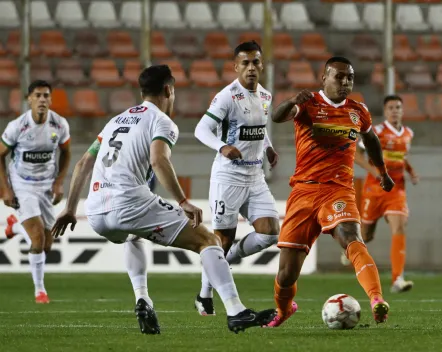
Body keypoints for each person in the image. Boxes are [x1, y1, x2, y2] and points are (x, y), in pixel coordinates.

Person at [52, 65, 275, 334]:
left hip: (97, 209)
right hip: (129, 201)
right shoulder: (162, 121)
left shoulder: (116, 120)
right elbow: (159, 159)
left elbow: (84, 163)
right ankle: (236, 311)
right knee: (208, 241)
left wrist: (70, 209)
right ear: (169, 90)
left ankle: (142, 299)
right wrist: (183, 202)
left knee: (133, 235)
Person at [266, 57, 394, 327]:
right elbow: (276, 117)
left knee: (351, 237)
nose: (345, 82)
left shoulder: (358, 111)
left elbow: (371, 140)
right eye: (339, 77)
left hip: (338, 189)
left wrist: (382, 171)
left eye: (349, 77)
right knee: (287, 273)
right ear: (324, 78)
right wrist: (291, 101)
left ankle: (376, 299)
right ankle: (284, 309)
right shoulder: (308, 103)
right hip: (303, 191)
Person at [193, 41, 280, 316]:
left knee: (270, 233)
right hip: (228, 178)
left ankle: (224, 260)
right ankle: (204, 294)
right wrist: (222, 146)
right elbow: (201, 129)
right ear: (236, 67)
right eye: (245, 63)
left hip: (255, 176)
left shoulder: (265, 96)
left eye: (255, 62)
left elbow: (258, 129)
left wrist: (268, 148)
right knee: (223, 239)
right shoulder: (227, 96)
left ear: (262, 65)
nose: (251, 68)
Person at [0, 80, 71, 304]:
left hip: (46, 185)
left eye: (46, 96)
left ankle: (14, 226)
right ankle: (40, 291)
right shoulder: (17, 127)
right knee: (38, 238)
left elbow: (66, 152)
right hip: (22, 184)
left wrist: (59, 182)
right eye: (38, 95)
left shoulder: (59, 125)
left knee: (46, 245)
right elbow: (0, 155)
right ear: (28, 99)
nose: (42, 100)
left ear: (50, 99)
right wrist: (6, 188)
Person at [341, 95, 418, 293]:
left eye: (398, 107)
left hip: (396, 190)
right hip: (374, 190)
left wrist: (411, 172)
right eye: (391, 107)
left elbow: (402, 158)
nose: (395, 111)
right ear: (385, 112)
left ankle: (397, 279)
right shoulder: (377, 132)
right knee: (367, 234)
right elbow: (356, 155)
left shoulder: (408, 133)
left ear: (402, 111)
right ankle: (350, 248)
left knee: (399, 227)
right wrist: (376, 172)